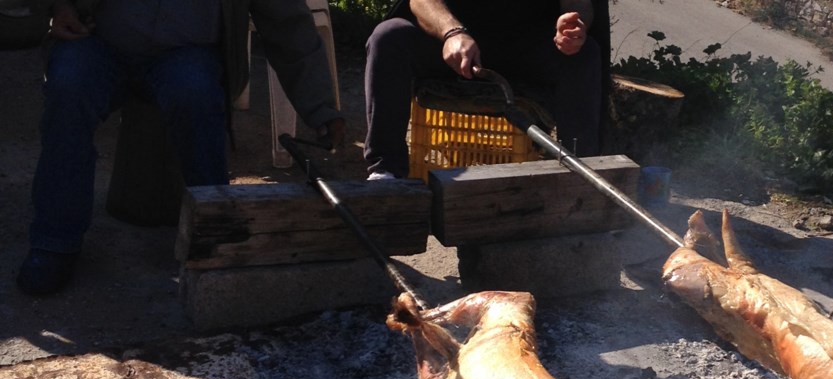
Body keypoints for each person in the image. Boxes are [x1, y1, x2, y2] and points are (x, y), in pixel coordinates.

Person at [16, 0, 346, 296]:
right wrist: (58, 6)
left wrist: (320, 108)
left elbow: (288, 23)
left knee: (197, 95)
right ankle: (54, 243)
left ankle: (214, 236)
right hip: (99, 43)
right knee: (69, 90)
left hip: (185, 54)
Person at [363, 0, 601, 181]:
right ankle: (386, 174)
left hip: (525, 45)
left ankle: (578, 176)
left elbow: (579, 7)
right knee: (388, 38)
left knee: (585, 53)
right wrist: (452, 32)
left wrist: (573, 29)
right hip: (455, 43)